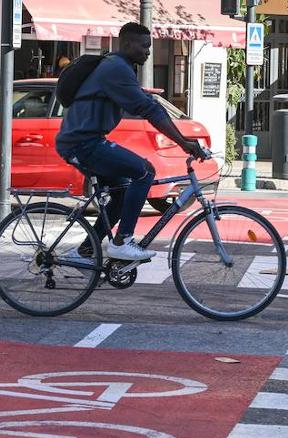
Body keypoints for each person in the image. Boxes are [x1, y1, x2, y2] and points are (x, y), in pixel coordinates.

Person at [55, 23, 205, 261]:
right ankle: (123, 241)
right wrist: (183, 141)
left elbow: (147, 102)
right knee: (145, 171)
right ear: (127, 44)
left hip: (85, 141)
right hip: (82, 143)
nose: (148, 52)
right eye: (144, 46)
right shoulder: (116, 68)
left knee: (122, 193)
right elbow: (148, 109)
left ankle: (86, 250)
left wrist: (182, 138)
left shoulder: (119, 66)